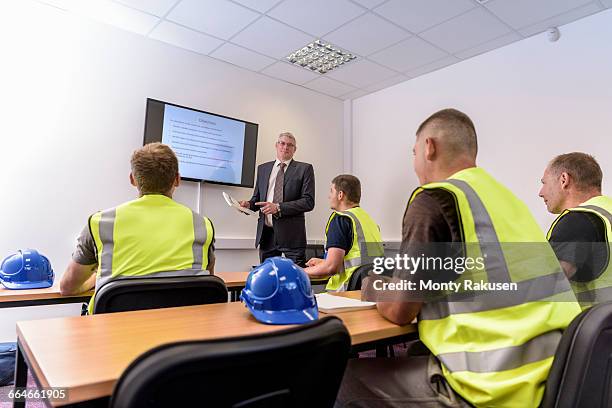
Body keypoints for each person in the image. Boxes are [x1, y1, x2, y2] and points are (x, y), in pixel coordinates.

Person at [335, 109, 580, 407]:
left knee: (342, 379)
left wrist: (371, 285)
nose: (414, 165)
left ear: (429, 147)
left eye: (414, 153)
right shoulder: (506, 198)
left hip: (490, 387)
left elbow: (401, 310)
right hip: (556, 373)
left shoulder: (434, 197)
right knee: (415, 354)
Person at [60, 143, 215, 314]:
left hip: (112, 335)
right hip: (183, 333)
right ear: (177, 179)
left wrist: (97, 279)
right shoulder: (203, 225)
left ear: (132, 179)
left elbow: (68, 287)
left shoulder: (100, 222)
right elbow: (205, 283)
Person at [539, 152, 612, 308]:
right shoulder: (607, 213)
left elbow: (548, 284)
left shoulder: (578, 221)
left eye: (544, 183)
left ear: (564, 180)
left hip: (598, 329)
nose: (541, 193)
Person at [239, 132, 315, 266]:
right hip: (267, 235)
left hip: (292, 236)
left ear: (294, 149)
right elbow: (257, 199)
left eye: (290, 145)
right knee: (268, 278)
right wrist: (248, 205)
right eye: (282, 143)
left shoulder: (304, 169)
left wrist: (278, 207)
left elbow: (308, 202)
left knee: (296, 279)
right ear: (276, 145)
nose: (285, 147)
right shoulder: (263, 169)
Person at [304, 174, 383, 291]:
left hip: (346, 294)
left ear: (340, 195)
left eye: (331, 191)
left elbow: (331, 268)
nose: (329, 196)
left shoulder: (341, 220)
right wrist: (324, 262)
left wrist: (297, 270)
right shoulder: (368, 220)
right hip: (372, 292)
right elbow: (363, 260)